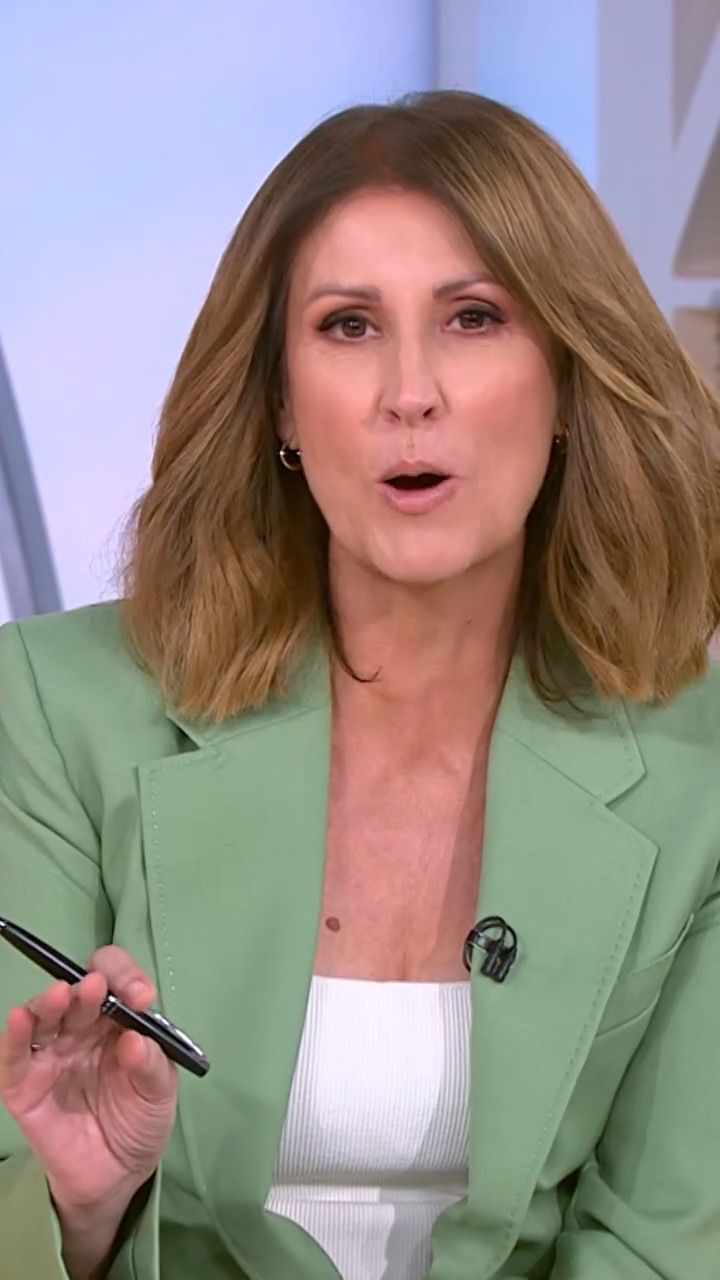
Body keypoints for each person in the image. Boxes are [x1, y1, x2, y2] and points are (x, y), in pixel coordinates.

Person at [0, 88, 719, 1280]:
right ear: (279, 400)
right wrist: (81, 1212)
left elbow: (666, 1245)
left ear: (568, 379)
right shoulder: (50, 709)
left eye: (474, 317)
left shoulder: (701, 775)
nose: (409, 392)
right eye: (348, 325)